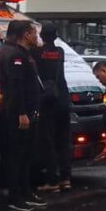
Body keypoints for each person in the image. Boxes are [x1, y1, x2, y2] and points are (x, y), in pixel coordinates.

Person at [0, 20, 46, 211]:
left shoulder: (23, 53)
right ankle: (15, 197)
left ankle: (25, 191)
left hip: (27, 112)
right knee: (15, 155)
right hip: (16, 113)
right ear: (25, 34)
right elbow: (16, 87)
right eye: (34, 33)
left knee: (26, 154)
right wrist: (22, 113)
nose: (36, 36)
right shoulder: (14, 54)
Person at [33, 23, 72, 192]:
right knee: (64, 140)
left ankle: (52, 180)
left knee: (48, 140)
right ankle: (66, 178)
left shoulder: (37, 53)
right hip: (63, 99)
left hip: (48, 102)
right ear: (55, 37)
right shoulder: (60, 52)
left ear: (41, 36)